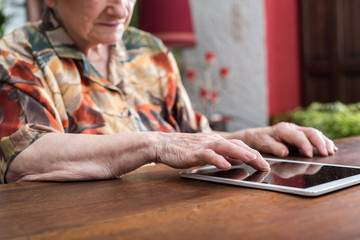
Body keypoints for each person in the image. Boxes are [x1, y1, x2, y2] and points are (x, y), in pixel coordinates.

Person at [0, 0, 337, 184]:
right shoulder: (15, 55)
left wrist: (253, 136)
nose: (121, 9)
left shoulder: (149, 49)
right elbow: (23, 157)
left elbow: (191, 137)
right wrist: (155, 142)